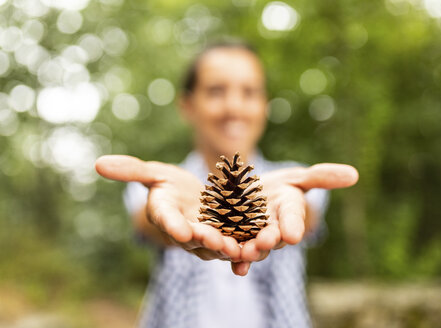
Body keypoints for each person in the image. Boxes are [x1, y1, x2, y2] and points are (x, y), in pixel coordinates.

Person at [95, 41, 358, 328]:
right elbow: (148, 222)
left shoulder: (291, 179)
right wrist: (162, 221)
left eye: (249, 92)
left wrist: (294, 206)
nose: (234, 106)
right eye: (216, 91)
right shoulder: (159, 184)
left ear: (264, 106)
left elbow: (306, 218)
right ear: (188, 105)